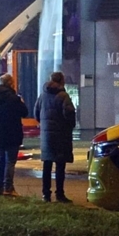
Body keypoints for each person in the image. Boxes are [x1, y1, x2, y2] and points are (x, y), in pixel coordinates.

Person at [34, 71, 76, 203]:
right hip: (61, 136)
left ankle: (46, 194)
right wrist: (70, 126)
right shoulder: (63, 96)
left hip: (46, 136)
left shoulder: (43, 96)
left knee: (47, 165)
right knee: (60, 166)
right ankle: (60, 194)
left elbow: (36, 113)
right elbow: (69, 113)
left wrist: (44, 124)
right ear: (62, 81)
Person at [0, 73, 28, 196]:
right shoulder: (13, 98)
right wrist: (21, 101)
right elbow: (24, 112)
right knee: (10, 162)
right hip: (12, 132)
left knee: (1, 160)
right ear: (10, 83)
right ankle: (8, 187)